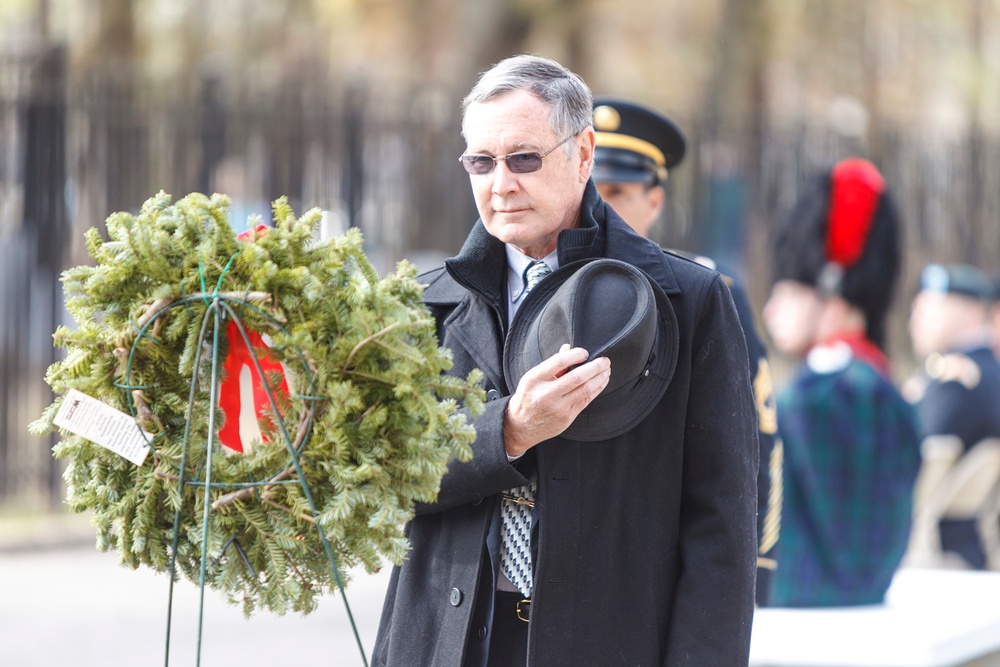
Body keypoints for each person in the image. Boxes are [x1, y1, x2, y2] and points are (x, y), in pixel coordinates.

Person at [373, 55, 759, 666]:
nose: (500, 184)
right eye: (481, 161)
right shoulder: (419, 305)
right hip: (448, 643)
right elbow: (382, 476)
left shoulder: (691, 300)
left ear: (583, 156)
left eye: (524, 158)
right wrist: (508, 432)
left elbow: (720, 531)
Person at [591, 97, 781, 605]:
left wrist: (753, 565)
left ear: (654, 201)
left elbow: (753, 436)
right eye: (590, 190)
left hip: (664, 561)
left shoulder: (703, 292)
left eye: (618, 191)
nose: (602, 207)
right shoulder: (542, 290)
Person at [761, 157, 920, 607]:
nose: (772, 309)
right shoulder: (869, 380)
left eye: (787, 290)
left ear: (829, 284)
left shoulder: (828, 391)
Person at [906, 262, 1000, 569]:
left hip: (945, 557)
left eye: (929, 310)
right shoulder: (989, 374)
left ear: (971, 313)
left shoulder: (956, 384)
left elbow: (906, 463)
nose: (914, 321)